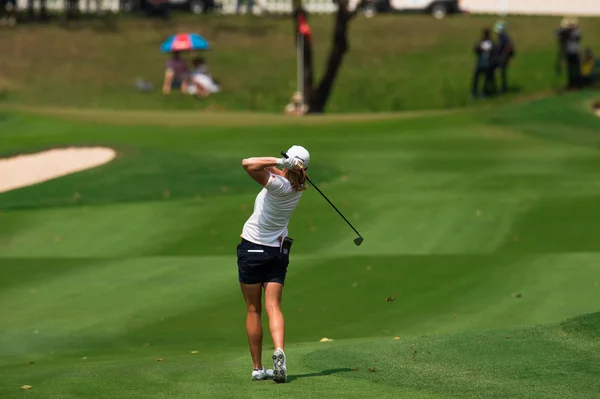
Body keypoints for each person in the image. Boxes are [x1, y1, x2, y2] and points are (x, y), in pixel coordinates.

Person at [238, 145, 311, 383]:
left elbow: (248, 162)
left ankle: (258, 368)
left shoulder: (278, 185)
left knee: (253, 310)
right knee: (273, 308)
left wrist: (281, 162)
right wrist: (285, 165)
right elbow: (270, 168)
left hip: (252, 249)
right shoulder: (299, 187)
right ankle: (279, 350)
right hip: (277, 252)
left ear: (290, 163)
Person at [556, 17, 582, 90]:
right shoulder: (566, 31)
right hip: (568, 52)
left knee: (575, 69)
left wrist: (566, 34)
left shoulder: (577, 31)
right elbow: (558, 35)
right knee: (570, 69)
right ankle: (571, 84)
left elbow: (576, 37)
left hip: (575, 52)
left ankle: (577, 84)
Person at [471, 28, 495, 99]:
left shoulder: (491, 42)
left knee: (486, 80)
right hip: (480, 62)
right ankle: (474, 92)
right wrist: (479, 49)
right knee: (476, 78)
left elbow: (493, 51)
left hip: (487, 63)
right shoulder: (481, 41)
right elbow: (475, 49)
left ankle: (484, 93)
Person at [493, 20, 515, 93]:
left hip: (502, 59)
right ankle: (502, 86)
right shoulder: (502, 37)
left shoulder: (504, 38)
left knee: (501, 73)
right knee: (502, 73)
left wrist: (503, 58)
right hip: (501, 58)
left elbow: (506, 48)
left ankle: (502, 87)